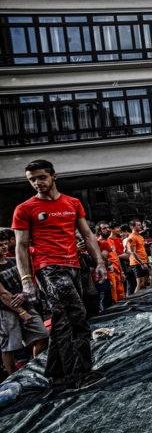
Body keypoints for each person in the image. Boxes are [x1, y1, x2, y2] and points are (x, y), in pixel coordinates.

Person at [12, 159, 106, 390]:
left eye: (41, 177)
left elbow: (87, 235)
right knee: (76, 317)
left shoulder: (72, 203)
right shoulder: (24, 209)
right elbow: (21, 247)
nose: (37, 183)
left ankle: (58, 373)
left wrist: (100, 263)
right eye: (32, 179)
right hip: (49, 268)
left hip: (73, 265)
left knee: (63, 320)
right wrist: (27, 281)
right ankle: (79, 376)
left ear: (54, 176)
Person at [0, 229, 48, 375]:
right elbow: (3, 294)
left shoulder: (13, 261)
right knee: (9, 347)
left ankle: (37, 368)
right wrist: (21, 312)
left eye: (4, 244)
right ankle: (13, 377)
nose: (3, 247)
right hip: (6, 310)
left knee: (42, 335)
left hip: (26, 304)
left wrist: (24, 294)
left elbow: (25, 281)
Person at [126, 219, 152, 294]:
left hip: (144, 261)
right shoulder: (131, 238)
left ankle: (143, 299)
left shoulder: (140, 237)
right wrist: (141, 263)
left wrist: (149, 262)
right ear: (132, 227)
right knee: (140, 283)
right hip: (137, 263)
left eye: (140, 224)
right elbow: (133, 252)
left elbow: (144, 251)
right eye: (138, 225)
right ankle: (135, 300)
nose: (141, 226)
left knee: (144, 283)